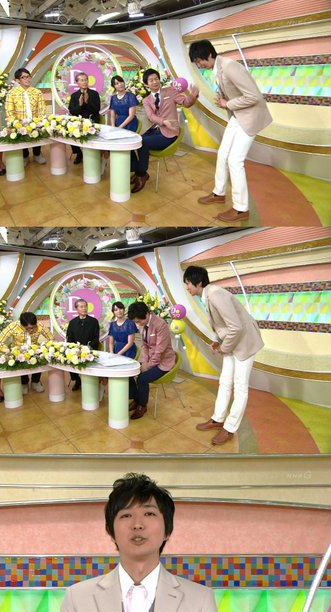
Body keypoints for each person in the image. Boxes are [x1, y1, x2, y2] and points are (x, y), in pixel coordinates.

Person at [54, 472, 223, 612]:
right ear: (110, 531)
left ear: (167, 530)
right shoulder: (78, 598)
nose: (137, 524)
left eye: (149, 514)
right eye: (126, 515)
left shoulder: (200, 600)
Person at [189, 39, 273, 223]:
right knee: (223, 154)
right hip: (237, 117)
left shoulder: (230, 67)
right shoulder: (218, 68)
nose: (199, 65)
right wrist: (224, 99)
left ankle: (241, 209)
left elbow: (254, 96)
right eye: (196, 62)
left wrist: (228, 103)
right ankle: (219, 193)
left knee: (235, 160)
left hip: (249, 117)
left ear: (209, 54)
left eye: (199, 60)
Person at [183, 265, 264, 445]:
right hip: (233, 342)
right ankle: (218, 419)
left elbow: (236, 327)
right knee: (225, 382)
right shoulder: (208, 295)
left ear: (199, 282)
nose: (187, 287)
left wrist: (223, 348)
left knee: (240, 388)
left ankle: (230, 428)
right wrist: (217, 341)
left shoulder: (216, 295)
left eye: (188, 283)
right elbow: (223, 325)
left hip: (245, 344)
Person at [130, 68, 198, 194]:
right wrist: (163, 121)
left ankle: (141, 174)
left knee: (142, 142)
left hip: (169, 133)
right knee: (136, 141)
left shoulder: (170, 91)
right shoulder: (146, 100)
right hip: (156, 130)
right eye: (151, 80)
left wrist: (193, 95)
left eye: (156, 79)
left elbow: (185, 102)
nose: (155, 82)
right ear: (146, 84)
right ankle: (138, 170)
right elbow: (151, 116)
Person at [126, 301, 176, 420]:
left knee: (142, 379)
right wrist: (144, 362)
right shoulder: (142, 324)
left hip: (164, 362)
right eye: (136, 322)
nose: (138, 324)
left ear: (147, 314)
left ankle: (142, 406)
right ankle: (137, 400)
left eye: (139, 321)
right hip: (150, 360)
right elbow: (145, 346)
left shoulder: (161, 325)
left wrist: (147, 366)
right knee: (129, 371)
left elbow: (159, 351)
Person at [0, 311, 53, 394]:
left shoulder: (40, 326)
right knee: (20, 363)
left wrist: (44, 347)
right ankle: (24, 384)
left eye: (32, 327)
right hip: (18, 352)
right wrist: (9, 351)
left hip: (34, 350)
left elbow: (51, 339)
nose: (30, 330)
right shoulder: (14, 326)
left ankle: (36, 382)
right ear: (22, 324)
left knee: (39, 359)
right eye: (27, 328)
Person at [5, 67, 46, 167]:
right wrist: (16, 123)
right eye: (24, 77)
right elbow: (9, 111)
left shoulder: (37, 92)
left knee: (37, 136)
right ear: (17, 80)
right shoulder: (12, 93)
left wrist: (39, 121)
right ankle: (25, 156)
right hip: (20, 123)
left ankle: (37, 154)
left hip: (35, 121)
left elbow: (42, 109)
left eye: (28, 76)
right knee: (22, 138)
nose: (27, 79)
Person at [66, 299, 100, 391]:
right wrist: (75, 349)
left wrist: (88, 348)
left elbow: (96, 338)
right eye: (81, 307)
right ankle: (77, 380)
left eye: (85, 306)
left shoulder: (94, 321)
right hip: (76, 350)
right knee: (69, 360)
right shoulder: (72, 323)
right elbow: (69, 339)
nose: (84, 308)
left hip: (90, 350)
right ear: (76, 309)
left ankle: (89, 382)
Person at [68, 72, 101, 165]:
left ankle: (92, 155)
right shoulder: (74, 96)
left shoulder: (94, 94)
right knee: (70, 132)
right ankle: (79, 153)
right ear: (77, 82)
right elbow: (72, 111)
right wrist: (80, 104)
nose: (85, 82)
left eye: (86, 80)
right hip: (79, 121)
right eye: (82, 80)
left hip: (92, 120)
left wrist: (87, 102)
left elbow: (97, 109)